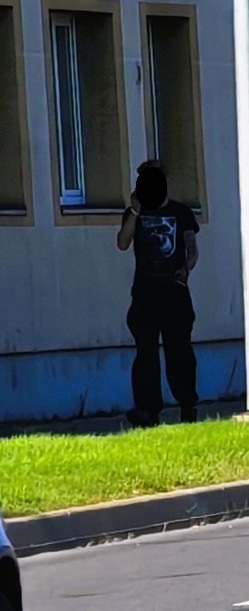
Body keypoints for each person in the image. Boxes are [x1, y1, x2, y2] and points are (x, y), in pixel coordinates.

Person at [115, 160, 200, 427]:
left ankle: (187, 404)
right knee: (146, 354)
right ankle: (147, 411)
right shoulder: (134, 213)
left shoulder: (181, 212)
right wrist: (135, 211)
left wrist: (186, 269)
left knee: (179, 352)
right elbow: (122, 243)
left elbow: (192, 248)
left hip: (174, 294)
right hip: (144, 294)